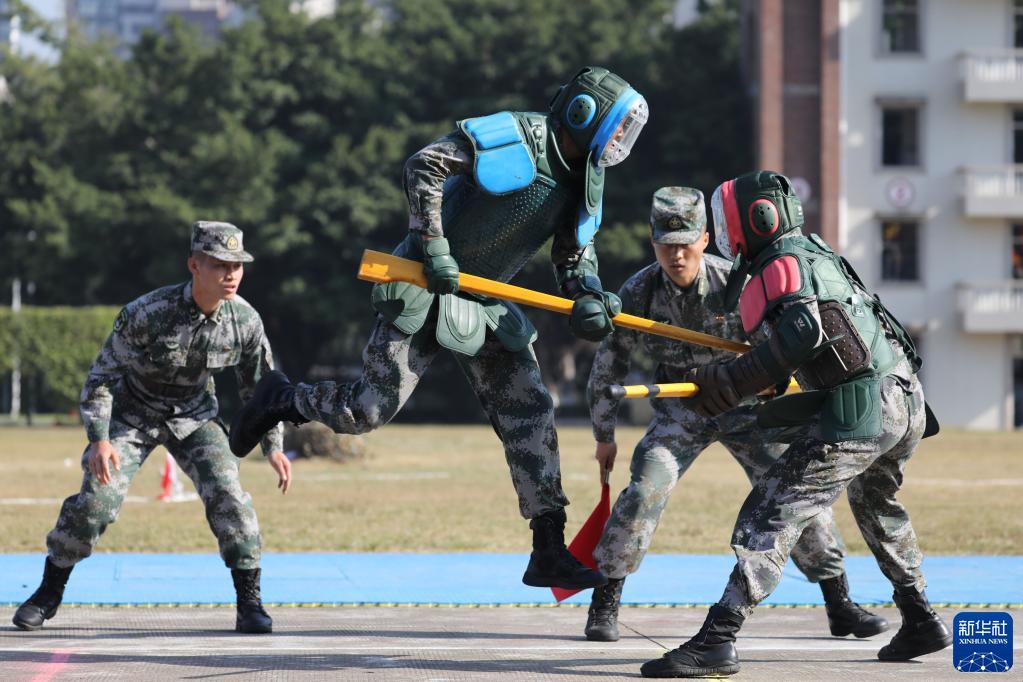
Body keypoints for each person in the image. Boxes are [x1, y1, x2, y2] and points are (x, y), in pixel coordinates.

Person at [230, 66, 649, 590]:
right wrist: (433, 246)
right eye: (616, 128)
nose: (617, 143)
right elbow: (424, 165)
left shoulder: (585, 174)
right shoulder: (520, 137)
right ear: (585, 113)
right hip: (425, 281)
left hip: (487, 300)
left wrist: (586, 292)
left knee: (531, 410)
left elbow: (573, 252)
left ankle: (547, 547)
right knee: (366, 410)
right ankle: (282, 398)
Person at [639, 171, 950, 678]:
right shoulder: (817, 254)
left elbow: (803, 332)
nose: (727, 230)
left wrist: (731, 379)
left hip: (864, 409)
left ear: (758, 219)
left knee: (770, 513)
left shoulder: (783, 265)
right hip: (905, 399)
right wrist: (751, 377)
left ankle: (718, 638)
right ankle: (919, 617)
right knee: (877, 504)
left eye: (729, 219)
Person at [583, 187, 886, 643]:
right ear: (653, 243)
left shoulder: (737, 284)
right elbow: (609, 363)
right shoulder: (639, 291)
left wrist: (775, 385)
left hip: (748, 409)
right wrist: (604, 433)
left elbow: (785, 348)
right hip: (681, 412)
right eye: (667, 245)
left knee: (796, 492)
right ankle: (604, 602)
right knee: (643, 490)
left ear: (706, 239)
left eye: (686, 243)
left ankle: (839, 602)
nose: (677, 255)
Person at [12, 222, 292, 635]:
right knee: (96, 502)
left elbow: (261, 387)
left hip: (195, 416)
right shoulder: (148, 312)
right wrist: (100, 439)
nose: (230, 274)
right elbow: (102, 377)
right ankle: (47, 593)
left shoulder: (245, 320)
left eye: (237, 265)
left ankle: (249, 604)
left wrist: (273, 445)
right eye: (219, 265)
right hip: (132, 414)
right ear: (194, 266)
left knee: (230, 494)